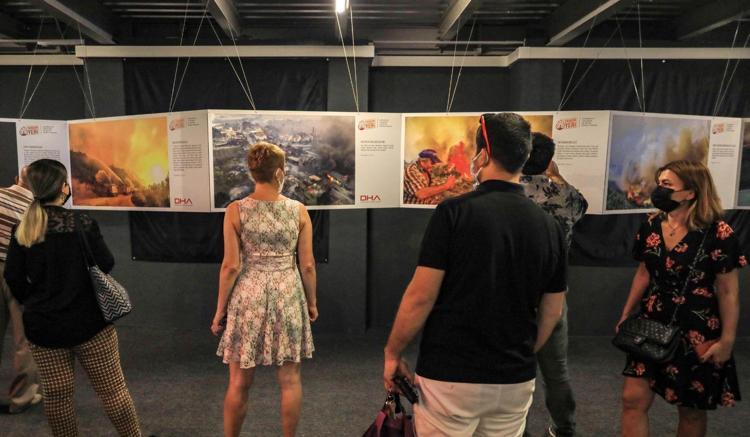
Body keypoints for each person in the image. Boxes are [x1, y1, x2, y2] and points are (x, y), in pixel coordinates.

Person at [384, 113, 567, 436]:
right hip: (514, 378)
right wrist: (523, 352)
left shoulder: (453, 212)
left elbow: (421, 296)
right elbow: (552, 310)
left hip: (450, 374)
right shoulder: (550, 226)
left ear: (483, 155)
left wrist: (392, 353)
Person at [3, 159, 142, 436]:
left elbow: (13, 277)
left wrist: (34, 302)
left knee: (57, 397)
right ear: (62, 188)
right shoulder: (82, 223)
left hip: (44, 328)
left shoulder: (23, 228)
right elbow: (106, 263)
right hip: (91, 324)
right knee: (113, 391)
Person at [618, 160, 742, 437]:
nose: (658, 190)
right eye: (659, 183)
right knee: (632, 399)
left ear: (690, 192)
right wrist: (626, 313)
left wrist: (727, 340)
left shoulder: (719, 233)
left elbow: (728, 291)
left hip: (697, 329)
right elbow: (643, 273)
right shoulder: (651, 225)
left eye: (666, 185)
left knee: (691, 409)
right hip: (652, 322)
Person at [212, 142, 317, 437]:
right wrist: (312, 303)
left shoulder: (235, 211)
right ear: (280, 172)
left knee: (238, 382)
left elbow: (230, 267)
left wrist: (220, 310)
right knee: (290, 380)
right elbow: (308, 265)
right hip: (288, 293)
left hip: (249, 295)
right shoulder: (298, 211)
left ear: (252, 172)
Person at [521, 133, 588, 437]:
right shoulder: (566, 196)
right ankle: (565, 428)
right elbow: (581, 206)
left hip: (511, 295)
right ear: (549, 160)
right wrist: (557, 176)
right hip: (554, 294)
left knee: (513, 368)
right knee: (556, 371)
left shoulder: (508, 192)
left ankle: (513, 428)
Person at [0, 166, 42, 414]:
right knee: (24, 340)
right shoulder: (37, 211)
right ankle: (22, 399)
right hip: (19, 274)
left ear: (17, 179)